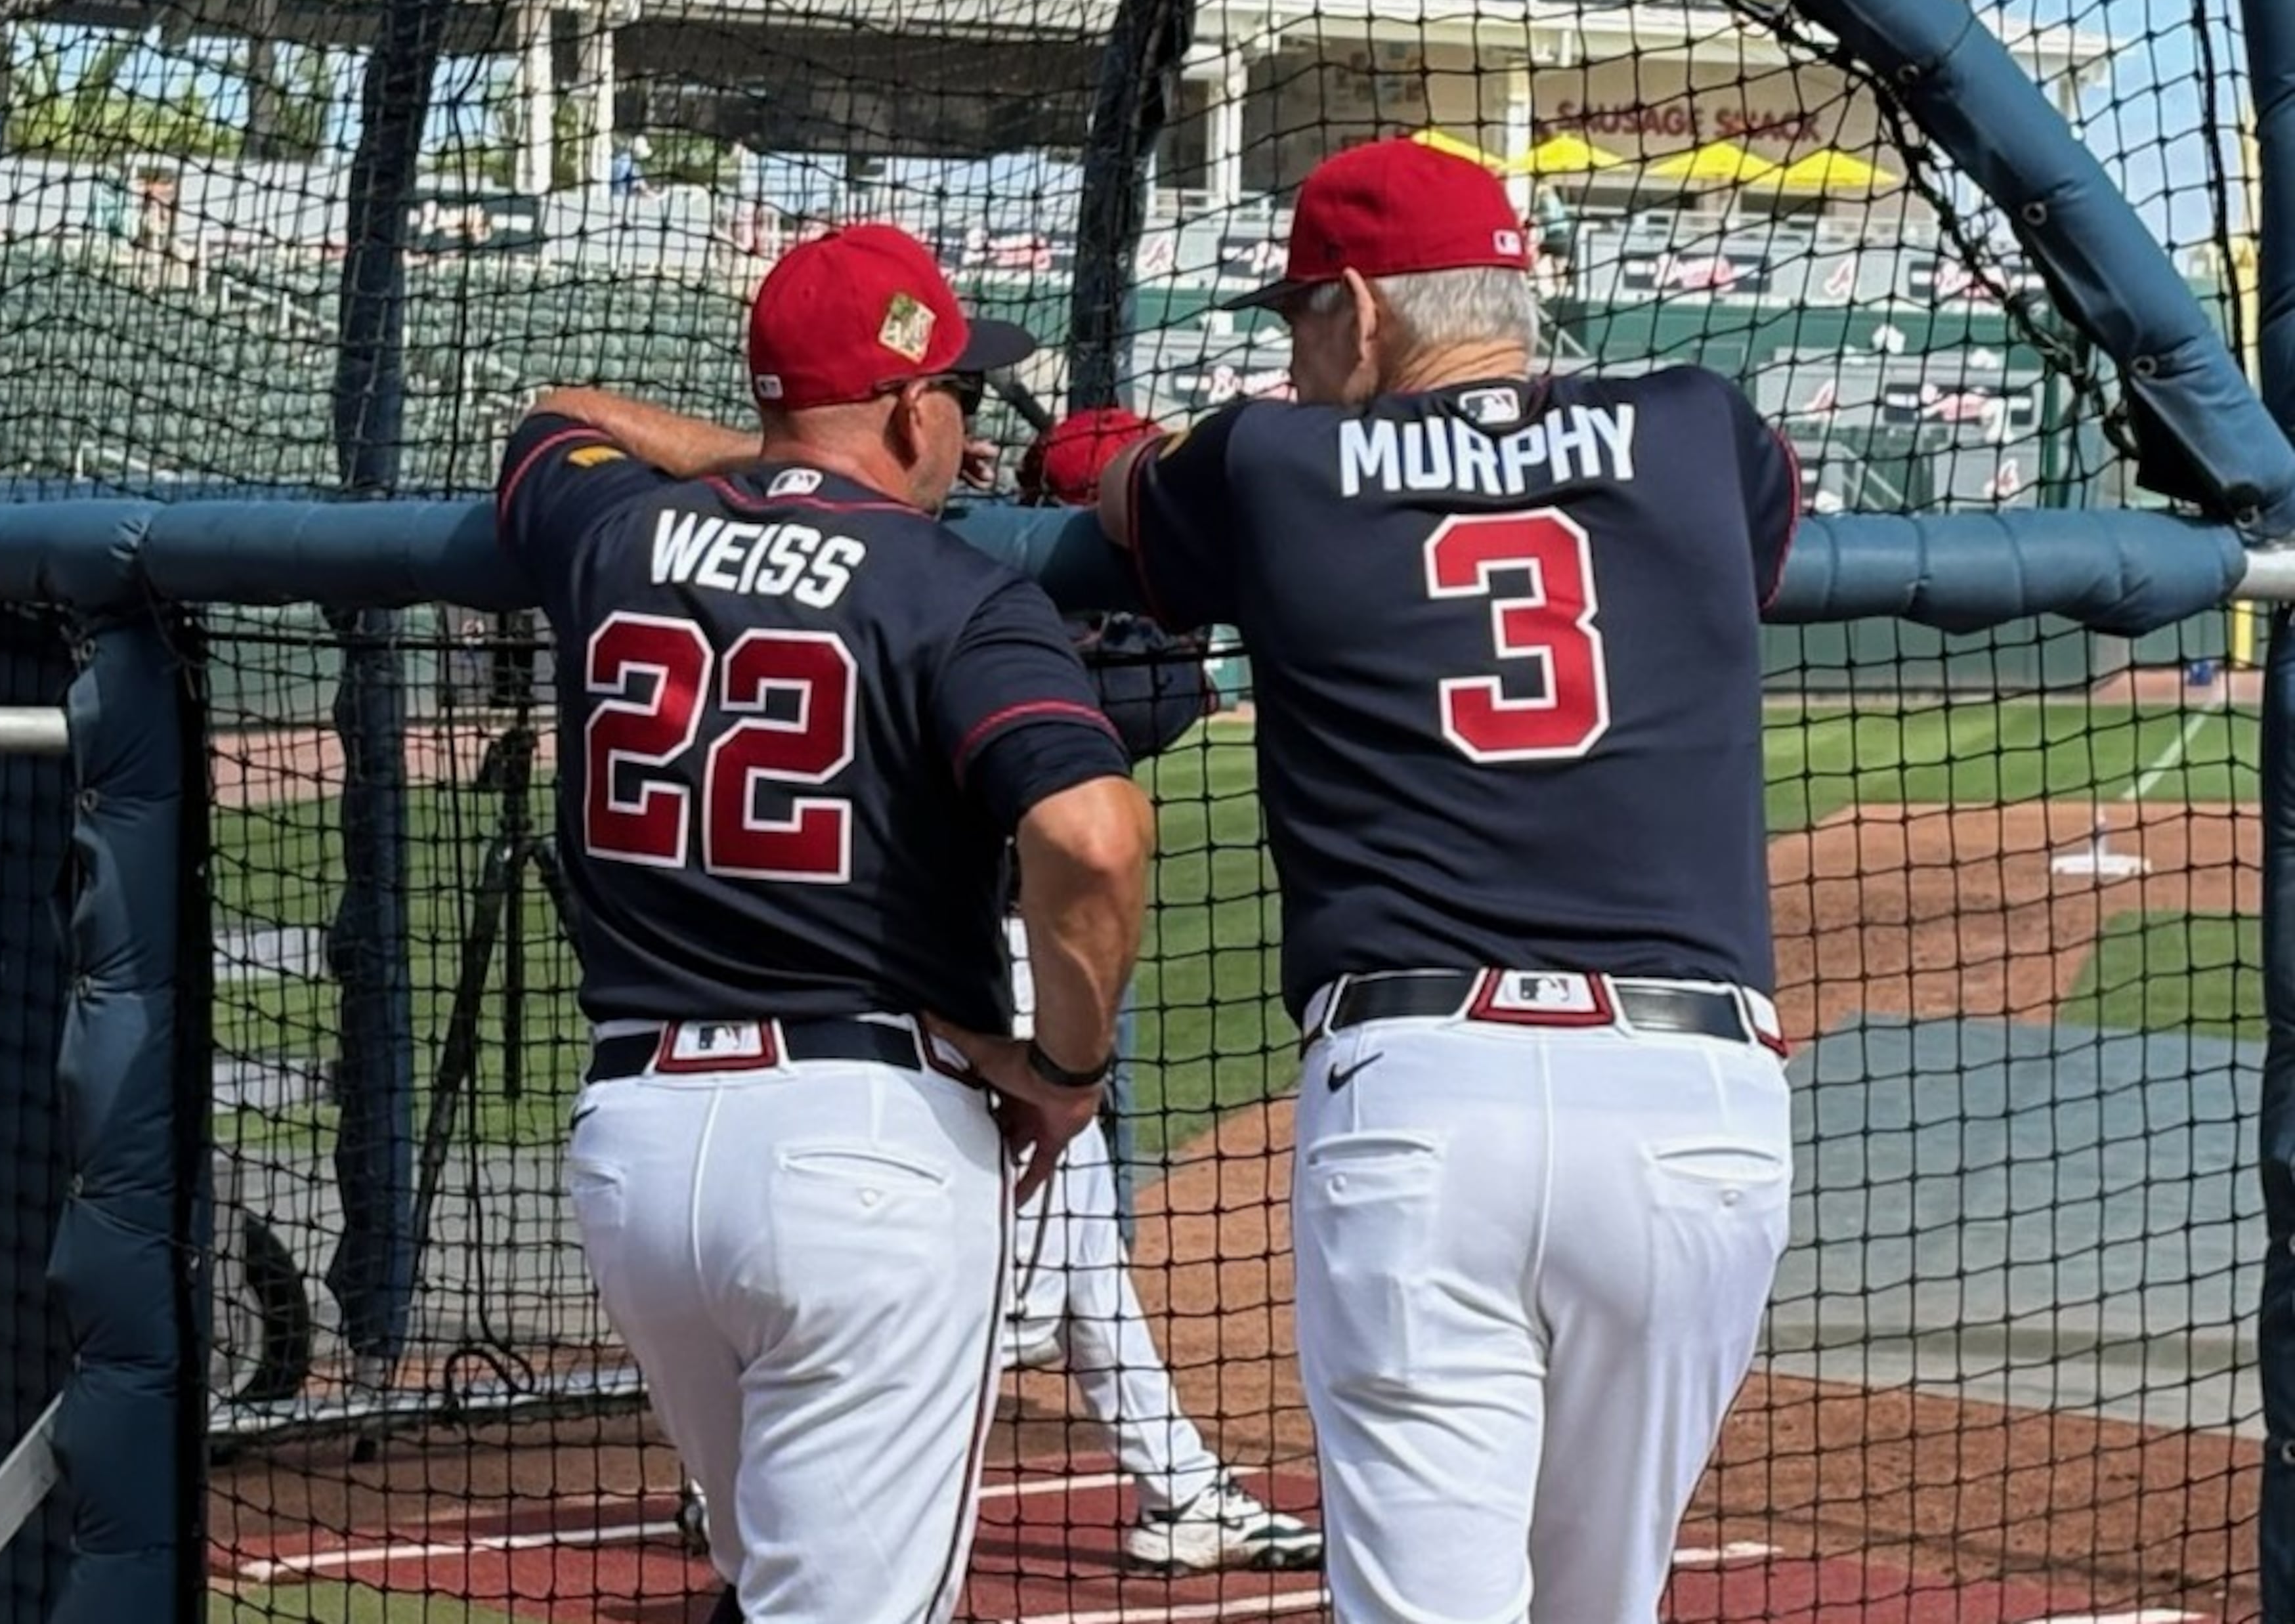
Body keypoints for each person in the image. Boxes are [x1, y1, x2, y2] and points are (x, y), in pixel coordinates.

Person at [1094, 134, 1799, 1624]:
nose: (1288, 355)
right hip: (1690, 1112)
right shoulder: (1695, 424)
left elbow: (1122, 498)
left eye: (1297, 316)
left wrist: (1160, 443)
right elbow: (1742, 545)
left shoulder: (1264, 461)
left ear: (1359, 308)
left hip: (1424, 1095)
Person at [498, 221, 1157, 1624]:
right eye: (961, 394)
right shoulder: (959, 590)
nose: (968, 425)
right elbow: (1092, 838)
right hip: (863, 1156)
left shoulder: (610, 535)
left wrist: (770, 464)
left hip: (639, 1158)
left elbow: (553, 417)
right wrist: (1069, 1075)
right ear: (916, 408)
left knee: (769, 1584)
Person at [1004, 406, 1323, 1576]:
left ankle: (1184, 1488)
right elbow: (1171, 691)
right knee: (1005, 1288)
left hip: (1013, 954)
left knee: (1080, 1254)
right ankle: (750, 1475)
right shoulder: (1045, 641)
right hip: (993, 969)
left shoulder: (1009, 614)